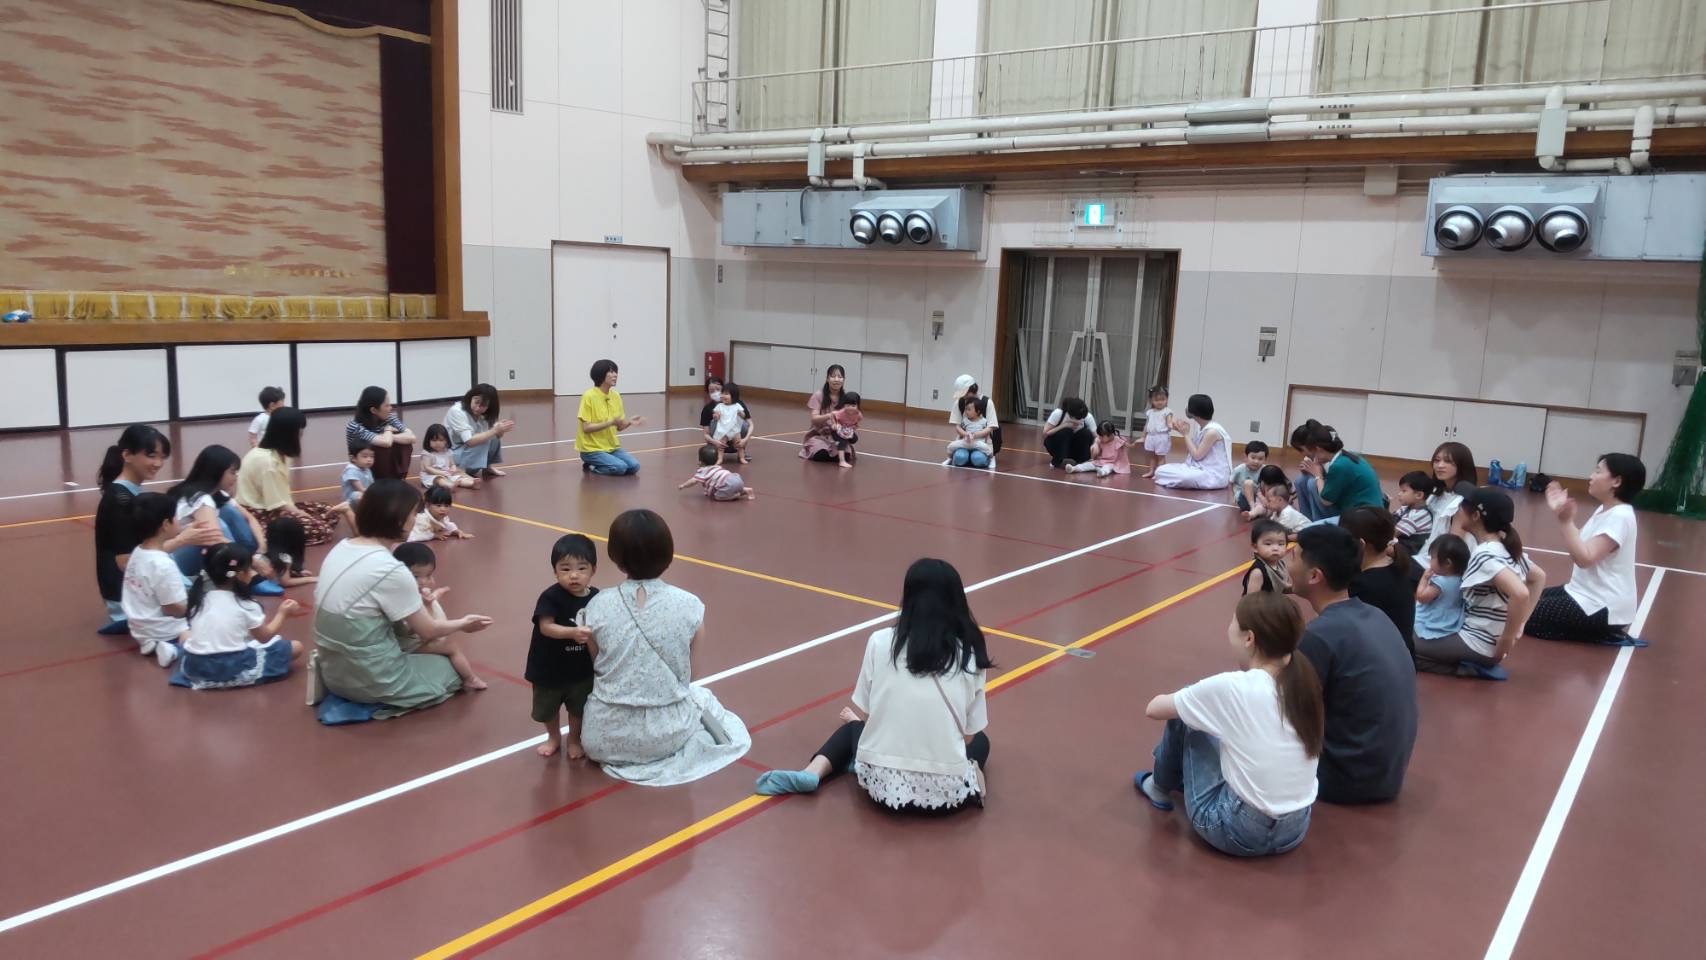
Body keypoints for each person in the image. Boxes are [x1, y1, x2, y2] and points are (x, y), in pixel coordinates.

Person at [756, 558, 991, 813]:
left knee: (852, 729)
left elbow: (871, 714)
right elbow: (969, 734)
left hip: (884, 789)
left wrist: (860, 725)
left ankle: (812, 772)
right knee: (981, 741)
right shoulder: (969, 654)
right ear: (956, 601)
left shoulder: (880, 642)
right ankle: (970, 772)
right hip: (944, 797)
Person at [1134, 591, 1322, 857]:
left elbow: (1154, 709)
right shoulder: (1304, 680)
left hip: (1237, 832)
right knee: (1218, 720)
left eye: (1233, 622)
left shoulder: (1235, 687)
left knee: (1187, 713)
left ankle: (1159, 786)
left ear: (1249, 638)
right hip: (1295, 828)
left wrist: (1195, 699)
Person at [580, 509, 750, 784]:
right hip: (666, 735)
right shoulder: (690, 605)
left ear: (615, 556)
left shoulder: (597, 605)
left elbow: (598, 665)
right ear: (668, 554)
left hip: (601, 737)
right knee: (701, 696)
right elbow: (690, 676)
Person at [308, 479, 492, 718]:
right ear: (399, 518)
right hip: (371, 680)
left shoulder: (341, 548)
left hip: (333, 673)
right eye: (414, 514)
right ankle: (387, 695)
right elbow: (429, 630)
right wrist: (464, 624)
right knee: (450, 670)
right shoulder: (391, 569)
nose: (415, 519)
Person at [1287, 525, 1417, 804]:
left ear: (1314, 576)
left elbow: (1286, 710)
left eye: (1293, 556)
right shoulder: (1375, 615)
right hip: (1385, 773)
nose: (1287, 563)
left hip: (1345, 779)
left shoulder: (1319, 636)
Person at [94, 425, 219, 634]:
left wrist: (184, 533)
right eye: (151, 456)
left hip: (137, 586)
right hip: (129, 597)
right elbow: (127, 562)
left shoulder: (129, 492)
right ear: (127, 455)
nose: (158, 463)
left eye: (162, 457)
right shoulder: (120, 500)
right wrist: (182, 540)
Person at [1412, 488, 1547, 677]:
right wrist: (1520, 625)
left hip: (1476, 643)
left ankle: (1464, 668)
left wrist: (1507, 640)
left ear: (1475, 516)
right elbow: (1539, 577)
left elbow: (1520, 593)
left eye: (1461, 507)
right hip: (1482, 641)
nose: (1457, 511)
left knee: (1399, 642)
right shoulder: (1504, 548)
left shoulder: (1486, 555)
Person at [1527, 454, 1646, 644]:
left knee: (1524, 615)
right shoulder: (1606, 510)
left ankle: (1599, 633)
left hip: (1602, 605)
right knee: (1526, 599)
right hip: (1582, 593)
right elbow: (1580, 542)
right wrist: (1561, 514)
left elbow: (1585, 558)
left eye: (1598, 471)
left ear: (1616, 481)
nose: (1591, 476)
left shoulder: (1620, 516)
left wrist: (1565, 521)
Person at [177, 543, 303, 690]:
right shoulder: (247, 604)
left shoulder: (199, 599)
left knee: (185, 634)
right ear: (240, 574)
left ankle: (172, 652)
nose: (252, 573)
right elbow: (265, 637)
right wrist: (282, 613)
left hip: (197, 667)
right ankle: (232, 677)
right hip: (234, 667)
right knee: (296, 647)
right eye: (250, 569)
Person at [528, 534, 600, 759]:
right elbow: (546, 627)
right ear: (555, 571)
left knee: (578, 709)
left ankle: (574, 740)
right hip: (548, 669)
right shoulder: (550, 597)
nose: (574, 575)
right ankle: (553, 737)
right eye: (566, 569)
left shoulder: (597, 598)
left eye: (581, 568)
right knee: (548, 709)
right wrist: (572, 633)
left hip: (581, 670)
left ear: (593, 570)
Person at [237, 407, 347, 545]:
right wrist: (302, 514)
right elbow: (277, 504)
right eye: (299, 432)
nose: (301, 435)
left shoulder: (280, 453)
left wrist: (301, 513)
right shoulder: (268, 463)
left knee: (330, 512)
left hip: (275, 506)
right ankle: (271, 534)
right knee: (323, 531)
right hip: (260, 512)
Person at [167, 444, 269, 585]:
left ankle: (246, 565)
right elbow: (215, 539)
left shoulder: (218, 495)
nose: (235, 477)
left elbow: (249, 518)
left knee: (229, 511)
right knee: (218, 526)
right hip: (178, 560)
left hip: (188, 551)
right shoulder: (200, 498)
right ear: (216, 471)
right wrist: (250, 561)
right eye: (232, 472)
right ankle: (244, 573)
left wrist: (262, 548)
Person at [392, 542, 486, 690]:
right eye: (415, 577)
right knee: (452, 647)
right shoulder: (402, 599)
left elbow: (429, 609)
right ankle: (470, 678)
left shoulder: (417, 593)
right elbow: (415, 629)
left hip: (420, 639)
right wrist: (428, 606)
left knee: (444, 638)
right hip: (410, 646)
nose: (423, 581)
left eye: (428, 575)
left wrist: (435, 596)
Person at [123, 493, 192, 668]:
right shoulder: (163, 564)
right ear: (165, 524)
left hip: (139, 627)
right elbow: (173, 608)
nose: (178, 520)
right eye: (175, 517)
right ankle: (175, 649)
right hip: (165, 629)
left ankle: (151, 643)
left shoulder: (138, 552)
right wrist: (195, 609)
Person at [1340, 506, 1418, 650]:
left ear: (1361, 544)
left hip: (1382, 659)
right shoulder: (1398, 565)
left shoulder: (1363, 585)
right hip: (1404, 655)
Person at [1292, 420, 1383, 522]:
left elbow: (1326, 500)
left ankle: (1317, 526)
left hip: (1362, 519)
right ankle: (1307, 523)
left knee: (1312, 483)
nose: (1305, 455)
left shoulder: (1340, 465)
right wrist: (1315, 472)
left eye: (1303, 450)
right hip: (1360, 512)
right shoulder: (1345, 457)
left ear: (1318, 449)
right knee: (1302, 480)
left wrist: (1318, 474)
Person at [578, 359, 645, 476]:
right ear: (601, 374)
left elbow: (619, 426)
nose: (615, 375)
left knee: (634, 466)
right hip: (591, 450)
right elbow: (586, 428)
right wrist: (610, 422)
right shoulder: (588, 396)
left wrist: (629, 421)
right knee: (620, 467)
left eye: (616, 372)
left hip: (611, 448)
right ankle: (593, 465)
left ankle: (604, 462)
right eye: (611, 372)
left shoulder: (616, 396)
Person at [1153, 394, 1231, 490]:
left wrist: (1186, 434)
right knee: (1160, 470)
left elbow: (1197, 456)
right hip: (1197, 469)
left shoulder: (1212, 432)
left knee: (1185, 477)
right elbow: (1191, 451)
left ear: (1196, 412)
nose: (1187, 408)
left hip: (1213, 475)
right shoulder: (1201, 427)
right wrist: (1181, 431)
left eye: (1189, 406)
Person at [346, 386, 417, 481]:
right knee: (381, 447)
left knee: (405, 443)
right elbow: (385, 442)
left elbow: (412, 437)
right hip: (364, 468)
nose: (390, 408)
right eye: (386, 405)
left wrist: (391, 435)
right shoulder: (355, 426)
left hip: (382, 465)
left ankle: (398, 479)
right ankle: (381, 482)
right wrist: (388, 429)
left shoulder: (388, 417)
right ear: (373, 410)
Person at [1414, 534, 1470, 654]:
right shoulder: (1461, 579)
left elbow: (1421, 597)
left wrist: (1424, 579)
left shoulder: (1441, 582)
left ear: (1447, 563)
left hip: (1434, 618)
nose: (1430, 561)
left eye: (1432, 557)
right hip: (1450, 619)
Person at [444, 383, 513, 480]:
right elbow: (470, 441)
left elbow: (494, 436)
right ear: (470, 397)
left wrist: (500, 430)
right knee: (487, 437)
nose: (477, 408)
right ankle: (460, 471)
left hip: (466, 450)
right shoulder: (457, 411)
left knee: (494, 438)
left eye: (483, 405)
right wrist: (494, 430)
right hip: (452, 453)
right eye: (476, 402)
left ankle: (487, 467)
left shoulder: (485, 415)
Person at [801, 364, 849, 463]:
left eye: (840, 377)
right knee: (821, 454)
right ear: (827, 379)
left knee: (846, 455)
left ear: (844, 380)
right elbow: (814, 419)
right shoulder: (819, 395)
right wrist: (828, 416)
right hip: (819, 435)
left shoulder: (846, 398)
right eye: (833, 376)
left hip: (836, 436)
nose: (836, 379)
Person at [679, 444, 755, 501]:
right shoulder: (717, 466)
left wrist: (683, 485)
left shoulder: (703, 471)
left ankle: (735, 496)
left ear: (700, 462)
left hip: (728, 484)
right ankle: (745, 490)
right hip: (737, 479)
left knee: (717, 497)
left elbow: (693, 481)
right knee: (731, 487)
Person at [1248, 467, 1308, 533]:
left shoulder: (1287, 513)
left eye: (1269, 501)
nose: (1268, 503)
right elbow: (1272, 523)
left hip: (1308, 534)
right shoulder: (1276, 512)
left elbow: (1280, 532)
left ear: (1280, 500)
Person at [418, 424, 479, 489]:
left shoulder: (447, 452)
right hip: (431, 475)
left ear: (446, 441)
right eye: (434, 440)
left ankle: (472, 483)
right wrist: (441, 473)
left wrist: (453, 468)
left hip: (446, 474)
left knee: (458, 477)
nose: (438, 443)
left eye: (441, 440)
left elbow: (452, 464)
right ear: (428, 441)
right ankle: (449, 485)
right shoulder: (427, 453)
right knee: (439, 480)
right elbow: (427, 468)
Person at [1392, 471, 1438, 556]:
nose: (1399, 494)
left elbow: (1392, 533)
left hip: (1409, 553)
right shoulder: (1406, 508)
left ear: (1419, 495)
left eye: (1404, 491)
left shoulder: (1419, 515)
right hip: (1400, 545)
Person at [1241, 519, 1292, 595]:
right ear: (1255, 547)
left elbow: (1281, 587)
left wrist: (1297, 588)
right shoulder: (1258, 572)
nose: (1275, 548)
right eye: (1268, 544)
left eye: (1280, 544)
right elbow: (1251, 599)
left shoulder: (1281, 564)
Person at [1041, 397, 1095, 469]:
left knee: (1086, 433)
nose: (1078, 420)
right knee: (1066, 431)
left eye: (1081, 418)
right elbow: (1045, 434)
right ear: (1070, 414)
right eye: (1076, 418)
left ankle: (1082, 461)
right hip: (1057, 446)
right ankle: (1059, 460)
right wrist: (1064, 425)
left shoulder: (1088, 417)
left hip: (1075, 447)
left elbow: (1096, 436)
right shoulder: (1058, 413)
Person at [1067, 420, 1131, 478]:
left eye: (1102, 436)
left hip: (1112, 463)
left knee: (1107, 467)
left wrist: (1134, 444)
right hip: (1100, 461)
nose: (1100, 437)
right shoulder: (1100, 439)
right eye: (1099, 435)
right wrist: (1095, 445)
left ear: (1110, 435)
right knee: (1089, 464)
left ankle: (1102, 472)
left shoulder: (1117, 440)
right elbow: (1096, 441)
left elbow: (1129, 445)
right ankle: (1074, 468)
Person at [709, 381, 754, 464]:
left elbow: (743, 416)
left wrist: (741, 413)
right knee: (721, 445)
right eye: (722, 393)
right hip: (723, 430)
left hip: (735, 430)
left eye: (726, 394)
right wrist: (716, 416)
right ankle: (720, 458)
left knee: (739, 444)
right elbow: (716, 416)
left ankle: (741, 457)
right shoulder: (719, 406)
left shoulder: (737, 405)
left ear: (733, 396)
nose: (723, 396)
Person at [947, 395, 996, 469]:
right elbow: (961, 431)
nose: (966, 411)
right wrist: (966, 435)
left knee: (986, 448)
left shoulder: (983, 421)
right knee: (951, 446)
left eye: (969, 409)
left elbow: (987, 434)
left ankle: (991, 459)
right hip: (966, 442)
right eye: (966, 409)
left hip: (977, 442)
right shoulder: (965, 421)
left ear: (977, 411)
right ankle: (949, 458)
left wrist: (984, 440)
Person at [1138, 386, 1173, 479]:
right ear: (1151, 400)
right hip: (1150, 436)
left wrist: (1171, 425)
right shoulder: (1150, 412)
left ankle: (1160, 474)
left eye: (1163, 399)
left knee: (1161, 456)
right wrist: (1143, 437)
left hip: (1162, 437)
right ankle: (1151, 471)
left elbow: (1169, 422)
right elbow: (1146, 426)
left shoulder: (1167, 411)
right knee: (1152, 456)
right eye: (1156, 400)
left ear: (1167, 399)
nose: (1160, 402)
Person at [1230, 441, 1269, 511]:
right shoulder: (1239, 469)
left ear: (1265, 459)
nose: (1256, 461)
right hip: (1243, 497)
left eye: (1260, 459)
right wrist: (1232, 497)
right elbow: (1230, 482)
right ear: (1245, 457)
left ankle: (1255, 511)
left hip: (1258, 498)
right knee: (1248, 483)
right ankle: (1252, 507)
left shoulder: (1265, 469)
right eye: (1253, 458)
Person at [831, 392, 863, 469]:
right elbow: (832, 414)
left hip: (847, 429)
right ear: (844, 405)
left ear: (857, 405)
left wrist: (855, 425)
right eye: (848, 405)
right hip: (838, 429)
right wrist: (834, 424)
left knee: (854, 439)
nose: (850, 408)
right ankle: (842, 461)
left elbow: (857, 420)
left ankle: (850, 446)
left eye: (853, 406)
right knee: (842, 441)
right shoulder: (841, 413)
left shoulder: (858, 414)